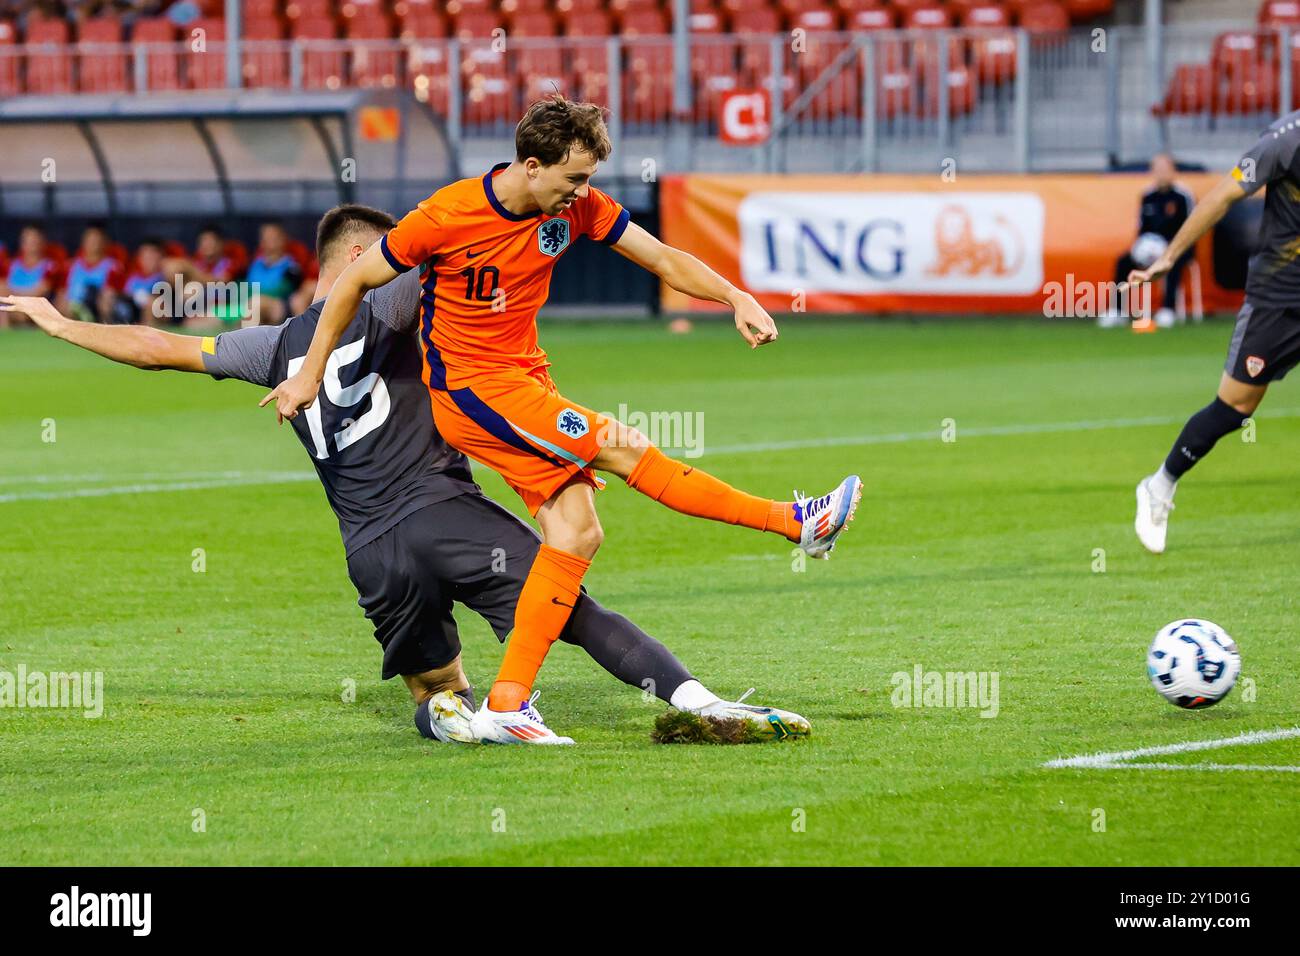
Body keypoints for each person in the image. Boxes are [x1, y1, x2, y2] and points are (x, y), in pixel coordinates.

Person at [2, 202, 810, 746]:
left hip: (370, 553)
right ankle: (696, 702)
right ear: (361, 257)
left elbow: (159, 348)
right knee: (570, 603)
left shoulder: (274, 348)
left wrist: (56, 321)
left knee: (432, 688)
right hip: (443, 512)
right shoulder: (395, 299)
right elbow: (467, 241)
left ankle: (466, 722)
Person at [263, 96, 861, 745]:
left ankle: (508, 703)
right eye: (574, 178)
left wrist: (736, 295)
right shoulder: (448, 214)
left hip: (524, 379)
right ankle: (797, 523)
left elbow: (660, 257)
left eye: (588, 179)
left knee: (576, 533)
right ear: (530, 165)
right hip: (473, 391)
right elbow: (351, 285)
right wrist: (307, 373)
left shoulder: (575, 206)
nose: (583, 192)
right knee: (623, 447)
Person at [1129, 112, 1300, 554]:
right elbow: (1222, 197)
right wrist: (1169, 258)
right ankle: (1159, 485)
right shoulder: (1285, 140)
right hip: (1279, 298)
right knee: (1236, 406)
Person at [1109, 153, 1195, 329]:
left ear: (1173, 171)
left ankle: (1167, 309)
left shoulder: (1182, 196)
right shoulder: (1147, 196)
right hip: (1150, 246)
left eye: (1165, 169)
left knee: (1172, 262)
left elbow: (1191, 228)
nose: (1161, 173)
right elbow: (1142, 228)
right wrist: (1142, 246)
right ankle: (1117, 310)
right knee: (1123, 262)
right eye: (1158, 170)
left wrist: (1170, 248)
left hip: (1177, 247)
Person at [57, 223, 124, 323]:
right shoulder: (70, 266)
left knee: (106, 303)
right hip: (73, 309)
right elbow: (62, 292)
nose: (94, 244)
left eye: (97, 240)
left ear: (105, 242)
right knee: (61, 303)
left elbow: (111, 294)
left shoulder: (113, 267)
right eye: (90, 240)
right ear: (83, 242)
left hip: (98, 308)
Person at [0, 223, 60, 328]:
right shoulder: (10, 265)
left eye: (34, 240)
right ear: (22, 243)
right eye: (28, 240)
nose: (31, 244)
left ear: (42, 242)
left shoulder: (50, 266)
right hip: (11, 310)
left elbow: (40, 292)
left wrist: (11, 293)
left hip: (35, 311)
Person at [245, 221, 303, 326]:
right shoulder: (255, 264)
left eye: (273, 237)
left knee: (256, 303)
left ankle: (246, 340)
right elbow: (247, 288)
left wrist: (259, 296)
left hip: (280, 308)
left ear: (283, 240)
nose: (269, 241)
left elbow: (284, 290)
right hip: (251, 304)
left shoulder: (291, 266)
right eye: (265, 237)